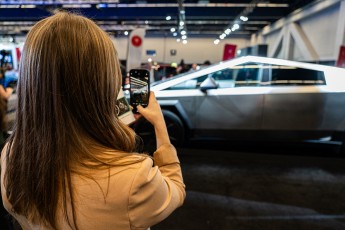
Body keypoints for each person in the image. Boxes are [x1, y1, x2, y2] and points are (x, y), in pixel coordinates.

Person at [1, 11, 185, 230]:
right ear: (104, 84)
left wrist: (112, 126)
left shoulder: (12, 156)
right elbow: (175, 188)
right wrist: (159, 124)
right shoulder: (133, 178)